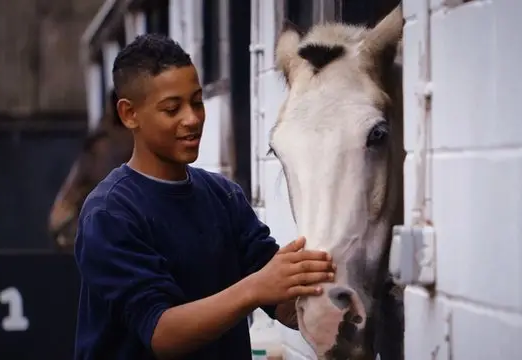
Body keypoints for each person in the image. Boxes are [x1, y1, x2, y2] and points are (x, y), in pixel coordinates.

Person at [73, 33, 335, 360]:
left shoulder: (223, 196)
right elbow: (160, 333)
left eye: (197, 102)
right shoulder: (110, 213)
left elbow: (281, 302)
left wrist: (326, 292)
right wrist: (256, 286)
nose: (193, 119)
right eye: (172, 108)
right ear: (129, 114)